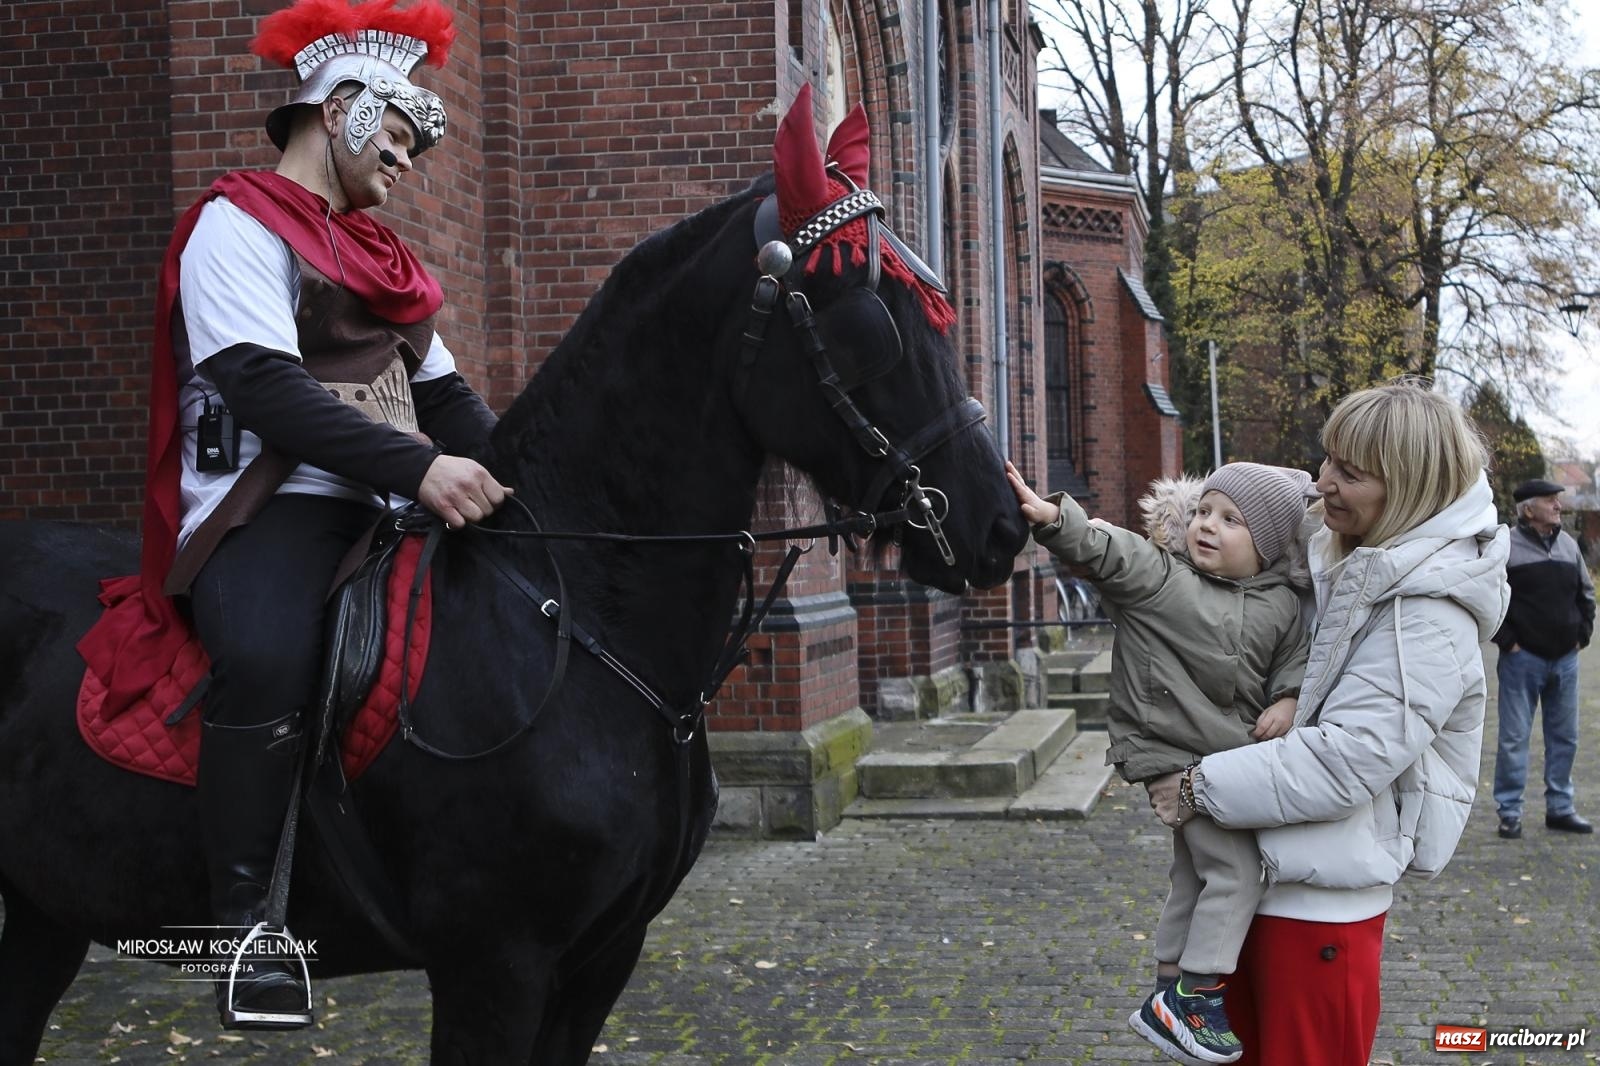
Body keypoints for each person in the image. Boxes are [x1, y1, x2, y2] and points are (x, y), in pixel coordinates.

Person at [78, 0, 510, 1031]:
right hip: (269, 514)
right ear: (344, 111)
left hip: (385, 505)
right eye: (396, 139)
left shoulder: (385, 262)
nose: (406, 164)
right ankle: (244, 932)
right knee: (267, 653)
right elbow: (265, 389)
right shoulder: (235, 221)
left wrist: (520, 479)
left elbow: (451, 404)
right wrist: (420, 470)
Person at [1146, 379, 1510, 1066]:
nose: (1323, 482)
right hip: (1267, 883)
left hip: (1317, 909)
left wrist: (1197, 785)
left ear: (1406, 485)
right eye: (1327, 459)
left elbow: (1344, 761)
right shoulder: (1347, 553)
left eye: (1349, 471)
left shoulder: (1426, 615)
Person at [1007, 459, 1317, 1065]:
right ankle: (1197, 994)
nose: (1207, 525)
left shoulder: (1282, 602)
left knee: (1194, 875)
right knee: (1237, 871)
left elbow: (1294, 659)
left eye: (1231, 520)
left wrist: (1286, 697)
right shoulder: (1163, 577)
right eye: (1203, 511)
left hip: (1228, 759)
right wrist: (1054, 519)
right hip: (1174, 753)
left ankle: (1167, 980)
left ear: (1269, 543)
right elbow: (1109, 550)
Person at [1491, 478, 1595, 838]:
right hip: (1522, 660)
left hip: (1565, 658)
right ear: (1529, 509)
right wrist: (1508, 642)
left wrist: (1582, 636)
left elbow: (1586, 593)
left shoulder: (1568, 545)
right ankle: (1509, 812)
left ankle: (1560, 809)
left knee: (1565, 737)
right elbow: (1489, 598)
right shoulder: (1505, 546)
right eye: (1550, 501)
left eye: (1557, 501)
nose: (1558, 507)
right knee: (1514, 738)